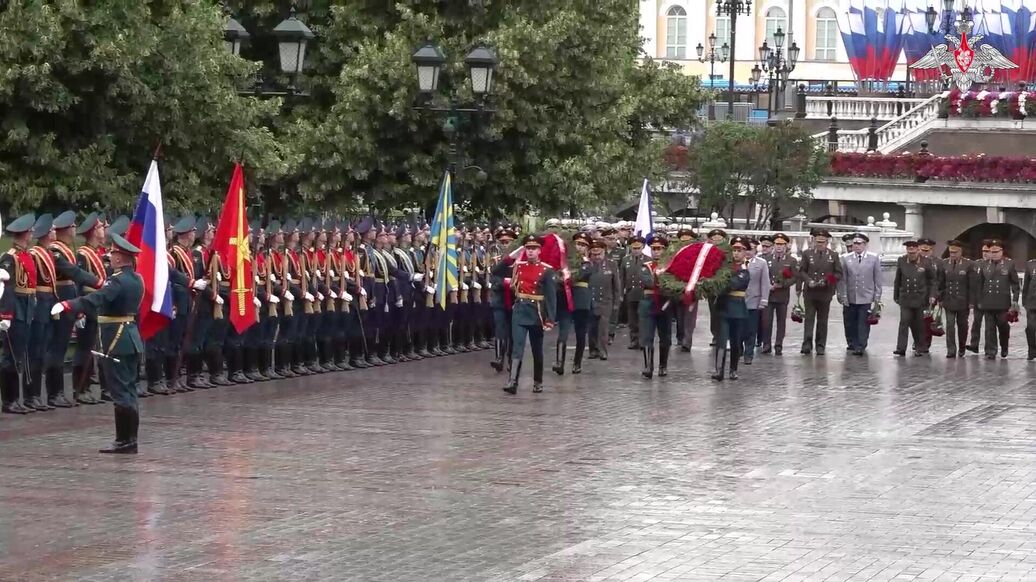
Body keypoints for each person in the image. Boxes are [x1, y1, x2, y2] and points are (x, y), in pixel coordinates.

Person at [52, 233, 144, 454]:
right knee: (129, 389)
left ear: (121, 258)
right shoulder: (136, 279)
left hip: (117, 339)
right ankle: (130, 439)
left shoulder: (118, 281)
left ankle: (124, 441)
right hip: (131, 338)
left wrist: (68, 304)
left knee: (120, 390)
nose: (110, 257)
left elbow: (96, 299)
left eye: (113, 253)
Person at [504, 235, 557, 394]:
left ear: (540, 251)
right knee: (517, 346)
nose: (530, 251)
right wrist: (512, 255)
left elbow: (551, 296)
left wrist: (550, 319)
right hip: (520, 310)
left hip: (537, 312)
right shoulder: (518, 266)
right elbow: (497, 270)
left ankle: (538, 381)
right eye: (528, 248)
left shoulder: (546, 270)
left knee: (536, 348)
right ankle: (512, 381)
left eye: (533, 249)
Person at [0, 213, 38, 415]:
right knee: (11, 356)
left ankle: (16, 398)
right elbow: (7, 288)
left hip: (28, 305)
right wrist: (5, 315)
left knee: (20, 355)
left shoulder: (27, 255)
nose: (32, 233)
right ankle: (9, 400)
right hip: (15, 308)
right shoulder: (10, 257)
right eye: (30, 231)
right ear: (24, 233)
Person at [798, 228, 843, 356]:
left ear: (827, 242)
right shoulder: (807, 254)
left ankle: (820, 345)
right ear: (814, 241)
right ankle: (807, 344)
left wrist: (827, 280)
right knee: (809, 318)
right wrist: (808, 281)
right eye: (818, 242)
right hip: (810, 291)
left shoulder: (833, 255)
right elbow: (802, 271)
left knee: (823, 320)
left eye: (822, 242)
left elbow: (838, 274)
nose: (820, 244)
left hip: (825, 292)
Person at [712, 237, 751, 381]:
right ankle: (719, 370)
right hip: (723, 307)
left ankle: (733, 369)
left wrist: (718, 282)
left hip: (737, 309)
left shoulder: (745, 270)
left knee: (736, 341)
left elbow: (732, 284)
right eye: (734, 250)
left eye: (739, 250)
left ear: (745, 252)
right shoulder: (723, 267)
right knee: (721, 340)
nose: (736, 253)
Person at [553, 233, 592, 375]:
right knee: (563, 330)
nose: (579, 247)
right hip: (565, 299)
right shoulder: (565, 261)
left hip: (581, 301)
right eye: (578, 244)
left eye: (583, 245)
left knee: (580, 333)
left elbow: (579, 276)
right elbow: (556, 277)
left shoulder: (587, 263)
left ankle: (577, 363)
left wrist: (567, 276)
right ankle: (559, 362)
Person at [637, 234, 675, 379]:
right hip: (649, 303)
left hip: (665, 304)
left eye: (659, 249)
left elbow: (674, 282)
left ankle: (663, 366)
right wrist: (663, 282)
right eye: (654, 249)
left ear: (664, 250)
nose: (656, 251)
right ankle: (648, 365)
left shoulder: (670, 267)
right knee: (647, 336)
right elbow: (647, 281)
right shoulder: (645, 266)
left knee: (665, 337)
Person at [837, 233, 882, 355]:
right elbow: (843, 279)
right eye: (854, 243)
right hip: (851, 295)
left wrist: (877, 297)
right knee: (850, 321)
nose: (856, 246)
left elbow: (877, 279)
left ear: (865, 244)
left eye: (859, 243)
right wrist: (843, 295)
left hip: (866, 295)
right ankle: (851, 342)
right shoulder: (846, 258)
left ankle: (861, 345)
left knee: (863, 322)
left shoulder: (873, 258)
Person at [975, 239, 1019, 359]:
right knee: (989, 328)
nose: (993, 254)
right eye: (991, 252)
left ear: (1001, 251)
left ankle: (1004, 346)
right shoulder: (984, 264)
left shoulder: (1009, 264)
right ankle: (991, 351)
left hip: (1003, 302)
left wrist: (1015, 300)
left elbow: (1015, 284)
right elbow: (979, 284)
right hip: (987, 301)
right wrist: (978, 300)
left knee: (1003, 325)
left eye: (996, 252)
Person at [893, 241, 937, 357]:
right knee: (904, 322)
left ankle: (920, 347)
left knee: (920, 324)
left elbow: (932, 281)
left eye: (913, 251)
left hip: (921, 298)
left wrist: (932, 295)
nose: (911, 254)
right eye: (909, 251)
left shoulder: (926, 262)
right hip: (906, 298)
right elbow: (898, 279)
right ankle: (901, 348)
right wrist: (896, 295)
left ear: (918, 250)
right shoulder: (902, 260)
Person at [761, 233, 797, 355]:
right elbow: (762, 276)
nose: (779, 247)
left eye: (782, 244)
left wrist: (783, 284)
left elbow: (794, 277)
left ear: (786, 246)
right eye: (777, 244)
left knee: (781, 322)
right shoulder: (766, 259)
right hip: (768, 295)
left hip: (782, 295)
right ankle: (766, 344)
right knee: (766, 321)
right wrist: (767, 285)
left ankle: (778, 345)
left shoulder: (791, 260)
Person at [587, 238, 621, 361]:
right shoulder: (587, 264)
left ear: (604, 252)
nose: (597, 257)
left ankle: (602, 350)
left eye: (599, 254)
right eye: (594, 254)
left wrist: (617, 302)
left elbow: (616, 285)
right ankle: (593, 350)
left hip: (606, 301)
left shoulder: (611, 264)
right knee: (591, 327)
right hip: (591, 300)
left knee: (603, 327)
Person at [939, 240, 972, 358]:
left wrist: (971, 301)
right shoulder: (944, 263)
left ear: (960, 251)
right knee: (950, 325)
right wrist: (940, 298)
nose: (952, 254)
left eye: (955, 252)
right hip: (949, 300)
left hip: (963, 301)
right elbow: (940, 283)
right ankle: (951, 350)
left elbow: (972, 285)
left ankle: (962, 347)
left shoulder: (968, 264)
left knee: (962, 325)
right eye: (951, 252)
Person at [742, 238, 771, 364]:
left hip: (753, 300)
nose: (748, 252)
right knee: (738, 328)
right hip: (737, 300)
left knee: (751, 329)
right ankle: (737, 349)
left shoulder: (761, 263)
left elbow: (765, 282)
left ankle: (748, 354)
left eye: (751, 249)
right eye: (745, 249)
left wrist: (764, 300)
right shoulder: (736, 262)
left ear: (755, 249)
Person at [620, 236, 646, 349]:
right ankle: (634, 340)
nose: (636, 250)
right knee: (632, 320)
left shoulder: (648, 259)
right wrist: (621, 293)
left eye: (638, 248)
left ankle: (642, 340)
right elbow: (621, 278)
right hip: (630, 293)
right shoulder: (626, 260)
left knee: (643, 318)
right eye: (634, 248)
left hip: (643, 293)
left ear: (643, 247)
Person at [966, 241, 991, 354]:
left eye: (987, 251)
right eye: (983, 251)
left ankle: (989, 348)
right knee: (976, 322)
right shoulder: (976, 264)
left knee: (990, 325)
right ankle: (974, 344)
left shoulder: (994, 264)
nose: (985, 253)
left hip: (990, 299)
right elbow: (971, 283)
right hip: (977, 299)